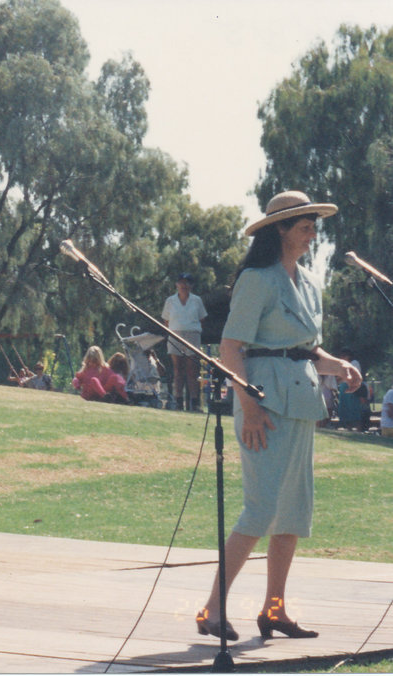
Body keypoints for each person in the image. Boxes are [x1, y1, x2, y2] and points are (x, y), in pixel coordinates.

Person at [195, 191, 361, 642]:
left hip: (301, 403)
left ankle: (275, 610)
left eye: (313, 225)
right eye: (303, 226)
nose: (311, 233)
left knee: (292, 513)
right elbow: (231, 348)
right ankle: (212, 609)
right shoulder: (256, 279)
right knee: (260, 509)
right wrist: (248, 406)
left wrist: (338, 366)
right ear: (280, 230)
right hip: (263, 405)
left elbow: (305, 351)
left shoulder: (308, 282)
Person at [161, 272, 208, 412]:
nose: (184, 285)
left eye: (187, 283)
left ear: (191, 285)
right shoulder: (170, 301)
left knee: (192, 370)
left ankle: (194, 403)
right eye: (181, 282)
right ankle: (178, 401)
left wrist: (191, 328)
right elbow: (166, 320)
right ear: (177, 284)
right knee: (178, 369)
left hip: (192, 335)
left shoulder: (196, 300)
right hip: (175, 334)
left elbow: (202, 319)